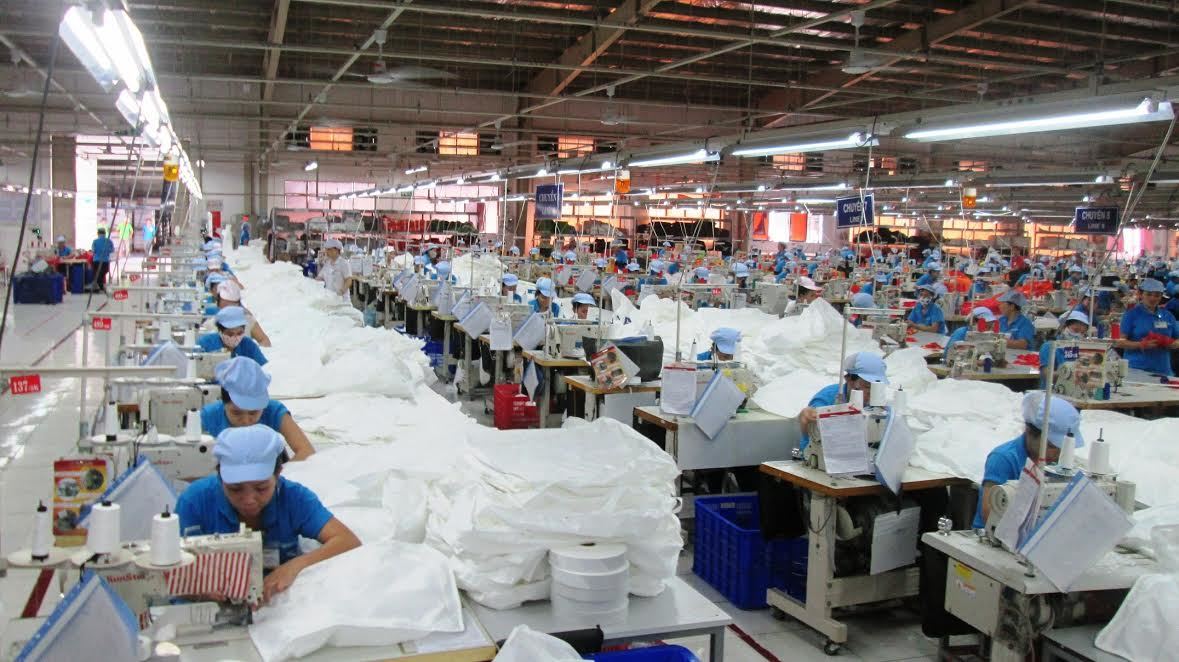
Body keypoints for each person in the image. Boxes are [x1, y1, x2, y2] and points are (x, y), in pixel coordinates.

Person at [175, 425, 360, 604]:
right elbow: (170, 567)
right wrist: (197, 588)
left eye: (261, 488)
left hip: (274, 603)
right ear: (219, 475)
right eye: (235, 489)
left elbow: (347, 540)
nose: (249, 500)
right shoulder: (194, 502)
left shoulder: (294, 498)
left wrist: (294, 566)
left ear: (278, 474)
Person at [973, 392, 1083, 529]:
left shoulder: (1058, 461)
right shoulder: (1003, 458)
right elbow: (989, 513)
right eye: (1051, 446)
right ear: (1029, 431)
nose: (1058, 453)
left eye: (1063, 448)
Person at [201, 358, 315, 460]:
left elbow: (306, 451)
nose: (246, 421)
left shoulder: (273, 411)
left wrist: (275, 475)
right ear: (223, 402)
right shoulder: (208, 416)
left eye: (253, 413)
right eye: (236, 413)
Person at [798, 352, 888, 451]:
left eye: (876, 388)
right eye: (867, 387)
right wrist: (808, 415)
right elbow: (810, 424)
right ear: (849, 379)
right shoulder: (827, 397)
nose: (871, 393)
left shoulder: (876, 402)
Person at [1116, 278, 1178, 376]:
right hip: (1137, 369)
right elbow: (1119, 342)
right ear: (1141, 295)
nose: (1152, 298)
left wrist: (1173, 344)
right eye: (1149, 294)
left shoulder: (1168, 316)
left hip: (1162, 369)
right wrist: (1140, 344)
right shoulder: (1131, 315)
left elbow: (1177, 339)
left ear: (1161, 296)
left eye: (1157, 295)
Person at [199, 306, 268, 366]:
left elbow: (264, 367)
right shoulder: (205, 343)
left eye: (239, 333)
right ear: (220, 331)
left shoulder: (248, 345)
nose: (235, 337)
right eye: (230, 334)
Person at [1038, 310, 1089, 386]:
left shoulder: (1079, 349)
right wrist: (1070, 374)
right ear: (1063, 327)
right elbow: (1046, 374)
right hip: (1053, 390)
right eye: (1076, 330)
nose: (1078, 335)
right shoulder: (1049, 347)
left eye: (1082, 333)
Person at [214, 281, 272, 347]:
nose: (229, 310)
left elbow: (264, 340)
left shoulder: (248, 320)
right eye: (226, 306)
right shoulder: (211, 323)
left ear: (239, 304)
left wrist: (253, 350)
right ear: (218, 304)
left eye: (232, 306)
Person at [89, 227, 115, 292]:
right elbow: (112, 250)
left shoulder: (95, 241)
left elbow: (93, 251)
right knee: (102, 273)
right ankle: (101, 286)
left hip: (96, 261)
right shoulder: (109, 241)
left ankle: (99, 286)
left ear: (98, 234)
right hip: (105, 261)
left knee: (97, 274)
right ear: (105, 234)